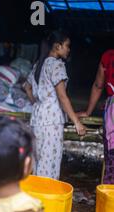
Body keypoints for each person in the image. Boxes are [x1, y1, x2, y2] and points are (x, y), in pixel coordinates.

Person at [23, 30, 86, 180]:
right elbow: (62, 97)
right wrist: (77, 123)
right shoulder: (57, 65)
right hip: (52, 122)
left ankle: (36, 198)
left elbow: (26, 87)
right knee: (49, 163)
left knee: (37, 162)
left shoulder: (39, 64)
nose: (68, 49)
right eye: (67, 46)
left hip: (38, 117)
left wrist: (38, 103)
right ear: (57, 46)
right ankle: (46, 200)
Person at [77, 49, 114, 184]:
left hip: (112, 114)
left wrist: (88, 111)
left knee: (112, 161)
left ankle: (110, 200)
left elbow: (99, 85)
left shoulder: (109, 56)